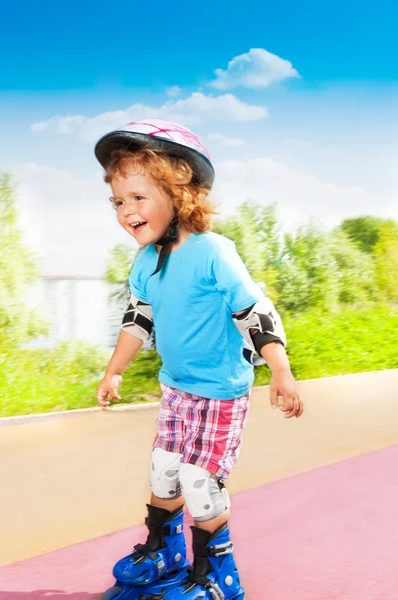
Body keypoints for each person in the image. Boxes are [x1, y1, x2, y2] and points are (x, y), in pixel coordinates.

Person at [94, 118, 304, 600]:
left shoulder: (214, 253)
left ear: (181, 190)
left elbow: (255, 311)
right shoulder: (146, 261)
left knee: (199, 481)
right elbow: (137, 320)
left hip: (219, 392)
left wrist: (281, 372)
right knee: (163, 470)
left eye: (138, 198)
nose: (127, 212)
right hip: (177, 387)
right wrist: (114, 370)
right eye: (118, 202)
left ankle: (218, 575)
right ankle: (165, 553)